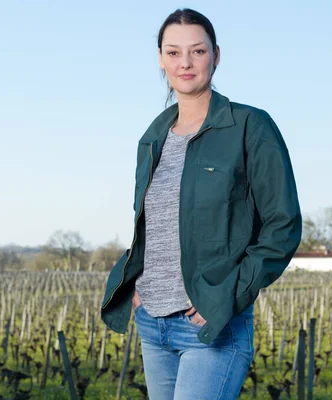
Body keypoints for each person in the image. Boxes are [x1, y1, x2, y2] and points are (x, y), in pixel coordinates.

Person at [101, 8, 302, 400]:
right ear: (160, 58)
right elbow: (151, 226)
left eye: (197, 51)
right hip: (152, 322)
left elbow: (283, 225)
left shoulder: (249, 126)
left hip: (209, 325)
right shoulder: (153, 136)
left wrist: (228, 296)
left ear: (216, 55)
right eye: (173, 53)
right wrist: (134, 285)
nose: (186, 63)